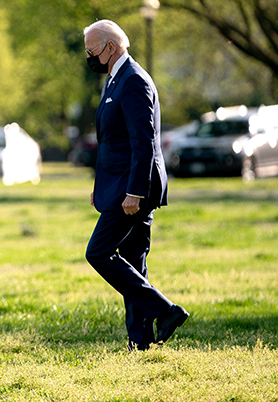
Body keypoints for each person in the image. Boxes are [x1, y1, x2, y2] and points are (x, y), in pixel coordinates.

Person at [83, 19, 188, 351]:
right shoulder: (114, 80)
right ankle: (140, 342)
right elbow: (113, 141)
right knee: (132, 259)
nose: (89, 57)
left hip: (134, 190)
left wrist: (135, 192)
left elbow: (143, 143)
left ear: (110, 47)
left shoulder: (134, 81)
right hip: (118, 186)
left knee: (98, 252)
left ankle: (166, 310)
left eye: (91, 51)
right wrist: (101, 187)